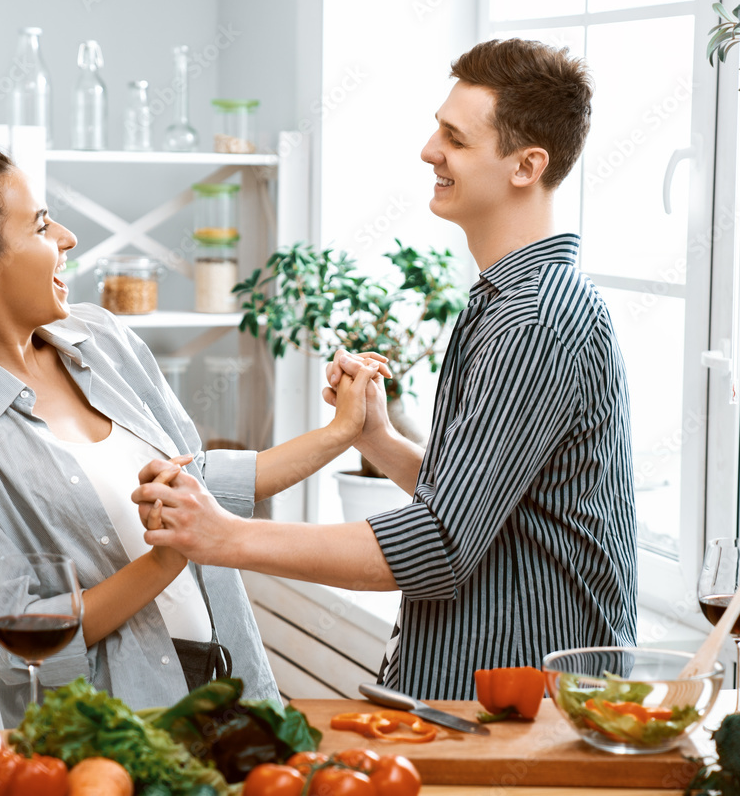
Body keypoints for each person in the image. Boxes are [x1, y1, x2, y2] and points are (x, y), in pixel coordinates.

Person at [135, 38, 638, 700]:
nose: (430, 150)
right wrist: (380, 442)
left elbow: (438, 544)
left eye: (454, 138)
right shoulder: (508, 301)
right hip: (485, 699)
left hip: (526, 718)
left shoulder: (534, 316)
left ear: (526, 165)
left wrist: (226, 535)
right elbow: (490, 508)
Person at [0, 141, 373, 726]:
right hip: (110, 735)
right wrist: (165, 562)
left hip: (237, 692)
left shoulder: (102, 339)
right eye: (39, 225)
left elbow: (202, 484)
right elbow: (17, 645)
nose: (66, 237)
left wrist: (343, 431)